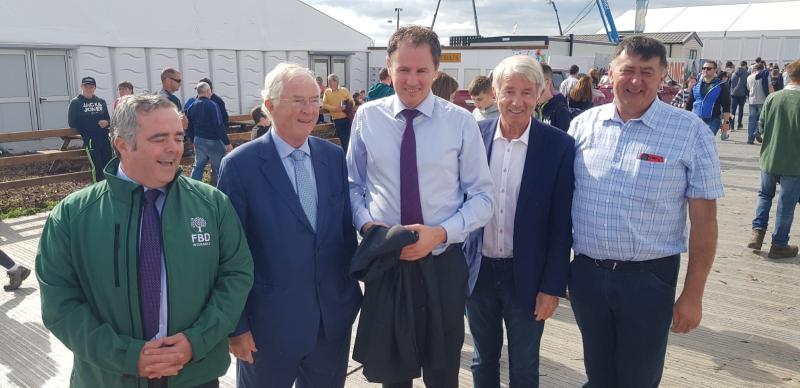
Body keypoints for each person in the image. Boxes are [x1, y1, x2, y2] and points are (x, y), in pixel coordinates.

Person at [36, 93, 254, 388]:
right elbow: (61, 305)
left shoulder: (212, 205)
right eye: (159, 138)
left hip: (195, 375)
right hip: (109, 379)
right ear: (123, 145)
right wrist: (127, 356)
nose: (174, 149)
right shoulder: (73, 216)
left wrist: (196, 340)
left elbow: (236, 275)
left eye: (178, 137)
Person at [568, 36, 723, 388]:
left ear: (663, 76)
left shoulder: (690, 132)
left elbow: (704, 222)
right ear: (611, 73)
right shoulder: (583, 126)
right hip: (587, 276)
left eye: (647, 73)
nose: (636, 81)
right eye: (628, 70)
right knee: (598, 375)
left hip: (648, 280)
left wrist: (693, 294)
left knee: (638, 379)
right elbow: (563, 202)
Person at [348, 25, 494, 388]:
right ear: (389, 67)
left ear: (436, 70)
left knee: (442, 371)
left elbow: (482, 197)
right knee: (393, 373)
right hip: (388, 262)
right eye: (403, 69)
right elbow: (353, 185)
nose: (411, 80)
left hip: (442, 263)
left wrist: (441, 233)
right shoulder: (367, 117)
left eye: (421, 70)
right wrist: (370, 228)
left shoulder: (460, 122)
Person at [219, 63, 361, 388]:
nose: (309, 110)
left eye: (314, 99)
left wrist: (347, 299)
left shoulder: (333, 158)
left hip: (330, 326)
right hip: (267, 330)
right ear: (270, 106)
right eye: (298, 100)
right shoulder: (240, 167)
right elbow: (228, 254)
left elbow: (342, 235)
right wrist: (236, 327)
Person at [463, 55, 574, 388]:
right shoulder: (472, 136)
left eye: (527, 92)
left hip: (527, 277)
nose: (517, 101)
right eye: (509, 91)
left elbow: (560, 225)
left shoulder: (558, 146)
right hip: (478, 272)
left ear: (540, 94)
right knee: (482, 359)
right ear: (495, 92)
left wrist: (551, 287)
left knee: (525, 364)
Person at [747, 59, 800, 259]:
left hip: (769, 157)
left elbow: (761, 126)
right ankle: (779, 244)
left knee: (764, 195)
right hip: (794, 162)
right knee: (786, 203)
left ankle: (757, 234)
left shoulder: (773, 98)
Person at [67, 76, 112, 183]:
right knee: (97, 167)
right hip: (91, 140)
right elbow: (72, 123)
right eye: (86, 86)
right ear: (82, 87)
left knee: (109, 165)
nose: (88, 89)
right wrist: (91, 123)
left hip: (105, 139)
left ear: (95, 88)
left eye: (91, 87)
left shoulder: (101, 102)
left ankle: (110, 189)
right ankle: (98, 190)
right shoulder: (76, 102)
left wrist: (107, 122)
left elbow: (108, 119)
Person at [186, 81, 232, 184]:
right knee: (218, 168)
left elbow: (190, 126)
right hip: (213, 140)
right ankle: (218, 189)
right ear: (208, 91)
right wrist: (227, 143)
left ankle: (192, 188)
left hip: (198, 139)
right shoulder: (213, 105)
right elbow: (218, 125)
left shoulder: (192, 106)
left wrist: (193, 140)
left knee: (198, 166)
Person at [686, 60, 732, 140]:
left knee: (706, 139)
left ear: (715, 70)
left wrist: (726, 123)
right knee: (695, 141)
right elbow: (689, 104)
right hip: (696, 119)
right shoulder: (696, 85)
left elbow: (726, 106)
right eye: (703, 68)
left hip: (712, 120)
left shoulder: (721, 86)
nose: (705, 70)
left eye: (708, 68)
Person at [322, 74, 355, 153]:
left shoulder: (344, 90)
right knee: (344, 141)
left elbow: (352, 102)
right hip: (337, 120)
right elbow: (324, 105)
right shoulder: (327, 92)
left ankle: (349, 158)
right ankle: (347, 159)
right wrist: (336, 109)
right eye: (329, 82)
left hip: (347, 118)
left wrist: (346, 106)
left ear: (336, 82)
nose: (330, 84)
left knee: (350, 139)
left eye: (331, 82)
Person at [535, 64, 571, 131]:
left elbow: (563, 140)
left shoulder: (560, 111)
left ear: (547, 82)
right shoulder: (530, 108)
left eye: (535, 81)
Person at [747, 62, 769, 144]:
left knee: (751, 120)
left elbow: (748, 88)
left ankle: (750, 138)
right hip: (762, 100)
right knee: (761, 119)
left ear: (755, 68)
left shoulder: (749, 77)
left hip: (752, 100)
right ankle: (757, 132)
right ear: (762, 68)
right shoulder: (764, 76)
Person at [730, 61, 749, 130]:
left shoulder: (733, 73)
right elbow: (747, 85)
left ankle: (731, 125)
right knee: (741, 110)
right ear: (745, 65)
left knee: (732, 110)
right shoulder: (746, 74)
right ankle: (739, 124)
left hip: (733, 94)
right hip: (742, 94)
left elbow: (730, 83)